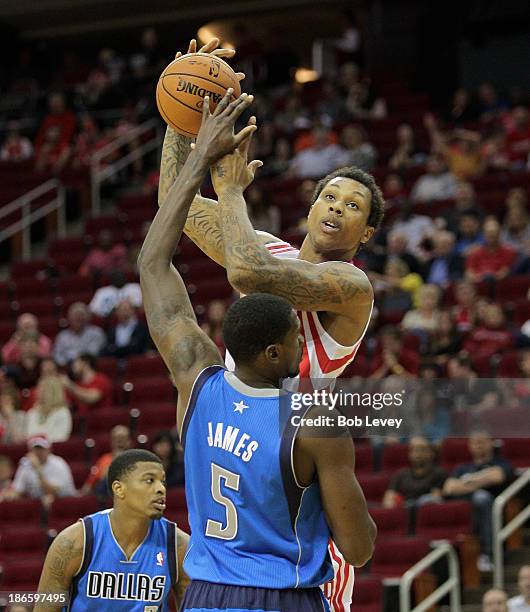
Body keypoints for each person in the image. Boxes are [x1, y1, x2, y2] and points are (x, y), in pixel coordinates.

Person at [139, 80, 376, 611]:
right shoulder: (266, 246)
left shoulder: (352, 287)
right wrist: (185, 115)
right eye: (330, 195)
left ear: (366, 234)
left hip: (299, 472)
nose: (337, 207)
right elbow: (172, 204)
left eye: (354, 205)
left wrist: (230, 191)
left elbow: (248, 269)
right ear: (311, 207)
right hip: (236, 445)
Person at [35, 449, 190, 610]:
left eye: (162, 482)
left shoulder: (179, 546)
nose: (161, 489)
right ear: (119, 488)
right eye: (150, 480)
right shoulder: (74, 542)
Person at [443, 429, 514, 572]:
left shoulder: (500, 463)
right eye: (475, 442)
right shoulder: (462, 468)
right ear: (469, 446)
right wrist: (480, 481)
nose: (478, 445)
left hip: (492, 510)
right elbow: (449, 488)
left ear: (491, 443)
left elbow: (497, 477)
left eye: (482, 442)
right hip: (466, 511)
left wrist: (465, 483)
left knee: (481, 497)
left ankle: (488, 554)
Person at [6, 435, 75, 507]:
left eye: (41, 449)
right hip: (38, 504)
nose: (38, 452)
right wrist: (8, 496)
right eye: (35, 449)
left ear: (49, 450)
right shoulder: (25, 464)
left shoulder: (59, 463)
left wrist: (38, 469)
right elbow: (18, 490)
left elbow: (52, 492)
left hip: (64, 503)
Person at [383, 436, 447, 509]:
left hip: (425, 510)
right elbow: (389, 496)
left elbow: (437, 497)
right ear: (409, 454)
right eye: (414, 450)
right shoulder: (401, 474)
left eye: (423, 450)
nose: (418, 453)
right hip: (404, 511)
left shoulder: (439, 473)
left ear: (432, 453)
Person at [81, 425, 131, 496]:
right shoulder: (104, 459)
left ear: (129, 441)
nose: (119, 442)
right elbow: (90, 484)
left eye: (122, 438)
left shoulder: (137, 459)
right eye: (116, 439)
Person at [25, 376, 72, 442]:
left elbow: (60, 437)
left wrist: (40, 438)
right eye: (39, 389)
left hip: (55, 449)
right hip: (34, 449)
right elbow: (29, 435)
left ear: (55, 392)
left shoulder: (63, 412)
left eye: (44, 390)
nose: (39, 393)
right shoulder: (32, 412)